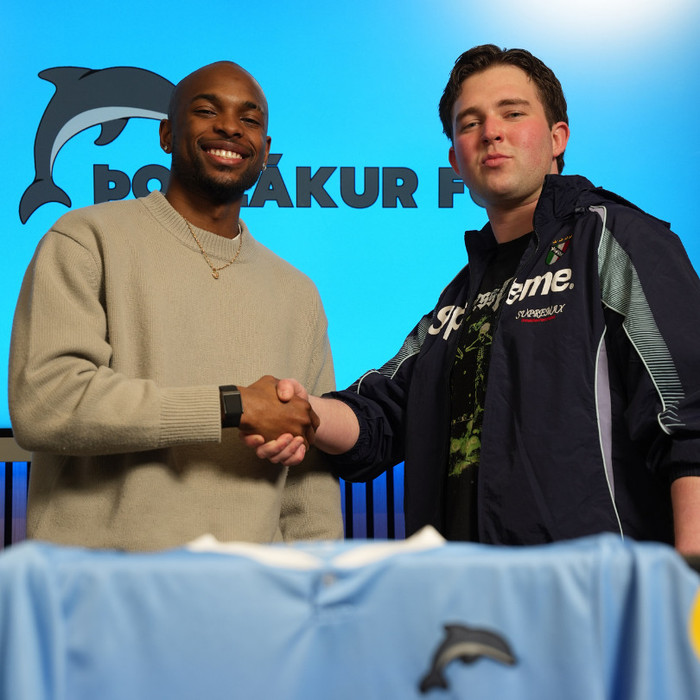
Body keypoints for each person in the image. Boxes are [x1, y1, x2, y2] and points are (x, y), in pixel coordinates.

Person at [249, 45, 700, 553]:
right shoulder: (461, 296)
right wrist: (304, 411)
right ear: (455, 162)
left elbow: (688, 418)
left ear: (558, 138)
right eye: (470, 123)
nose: (491, 132)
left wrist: (691, 581)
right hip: (462, 588)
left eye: (513, 113)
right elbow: (383, 415)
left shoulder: (618, 241)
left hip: (595, 589)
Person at [9, 61, 343, 551]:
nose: (230, 127)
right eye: (207, 111)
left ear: (266, 150)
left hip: (250, 588)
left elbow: (309, 484)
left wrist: (319, 575)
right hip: (104, 587)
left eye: (249, 119)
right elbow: (45, 405)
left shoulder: (298, 293)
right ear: (166, 135)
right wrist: (231, 406)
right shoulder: (85, 240)